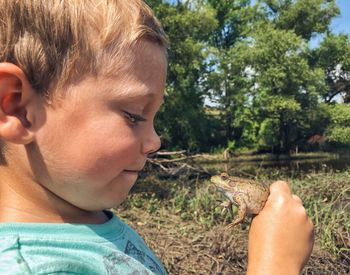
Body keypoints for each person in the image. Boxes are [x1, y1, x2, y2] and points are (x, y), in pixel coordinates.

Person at [0, 1, 314, 274]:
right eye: (134, 114)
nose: (155, 142)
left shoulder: (89, 215)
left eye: (154, 118)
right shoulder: (34, 267)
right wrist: (276, 264)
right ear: (16, 107)